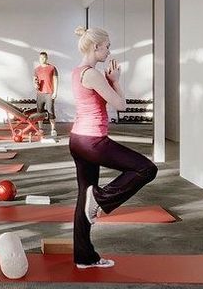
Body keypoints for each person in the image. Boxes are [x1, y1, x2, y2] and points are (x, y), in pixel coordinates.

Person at [70, 26, 158, 269]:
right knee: (146, 169)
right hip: (92, 141)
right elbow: (120, 105)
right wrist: (116, 81)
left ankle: (84, 257)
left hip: (78, 140)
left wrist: (109, 81)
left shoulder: (77, 71)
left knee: (83, 200)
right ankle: (99, 197)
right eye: (107, 46)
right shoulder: (92, 74)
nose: (109, 51)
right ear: (95, 46)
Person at [33, 51, 58, 135]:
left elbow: (56, 80)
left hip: (49, 93)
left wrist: (55, 92)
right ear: (39, 59)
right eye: (40, 58)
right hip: (40, 93)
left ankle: (53, 130)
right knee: (39, 112)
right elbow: (34, 81)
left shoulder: (52, 68)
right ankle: (40, 130)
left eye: (44, 58)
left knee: (50, 111)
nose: (42, 59)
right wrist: (36, 85)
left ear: (46, 58)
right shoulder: (37, 69)